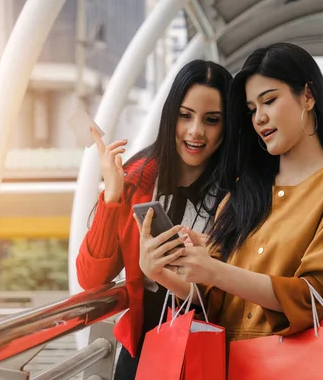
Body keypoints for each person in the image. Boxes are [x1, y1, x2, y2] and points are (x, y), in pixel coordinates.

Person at [140, 42, 323, 343]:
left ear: (308, 96)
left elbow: (313, 298)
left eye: (269, 101)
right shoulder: (241, 193)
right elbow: (210, 303)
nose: (259, 118)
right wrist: (163, 272)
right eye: (252, 109)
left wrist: (214, 270)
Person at [76, 59, 232, 378]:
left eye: (211, 120)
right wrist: (112, 197)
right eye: (185, 115)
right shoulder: (139, 178)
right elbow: (91, 279)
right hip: (145, 354)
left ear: (228, 126)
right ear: (170, 115)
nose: (195, 131)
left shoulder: (240, 190)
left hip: (214, 353)